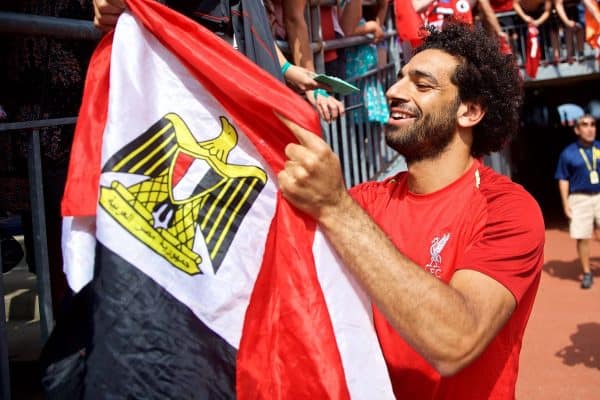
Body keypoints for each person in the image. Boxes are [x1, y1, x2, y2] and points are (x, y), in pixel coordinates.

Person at [278, 21, 545, 398]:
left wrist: (335, 207)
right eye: (400, 78)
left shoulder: (508, 210)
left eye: (421, 85)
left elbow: (456, 340)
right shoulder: (364, 201)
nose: (393, 91)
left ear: (469, 112)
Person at [555, 114, 599, 289]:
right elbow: (563, 179)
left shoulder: (599, 148)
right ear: (577, 130)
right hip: (579, 198)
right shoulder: (568, 153)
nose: (590, 128)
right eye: (585, 125)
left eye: (593, 124)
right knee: (583, 237)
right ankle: (587, 272)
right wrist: (566, 203)